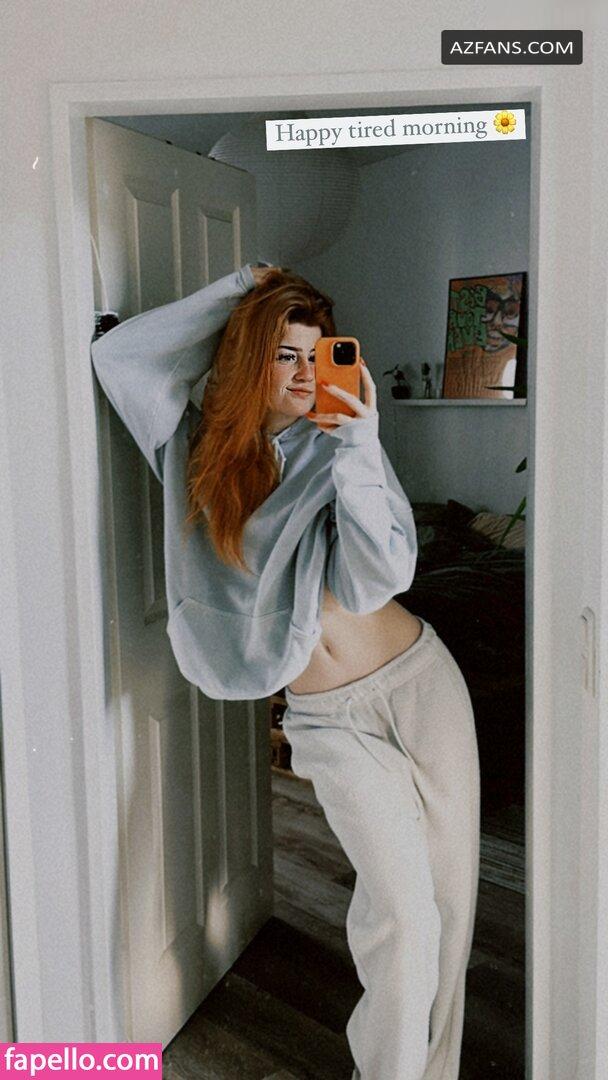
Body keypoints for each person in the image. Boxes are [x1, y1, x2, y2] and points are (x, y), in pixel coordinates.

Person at [90, 262, 480, 1080]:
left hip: (421, 684)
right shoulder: (192, 444)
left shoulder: (338, 441)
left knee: (449, 910)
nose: (307, 375)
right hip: (330, 719)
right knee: (405, 920)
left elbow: (377, 579)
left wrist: (359, 444)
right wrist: (240, 287)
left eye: (319, 355)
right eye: (286, 355)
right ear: (249, 357)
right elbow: (120, 360)